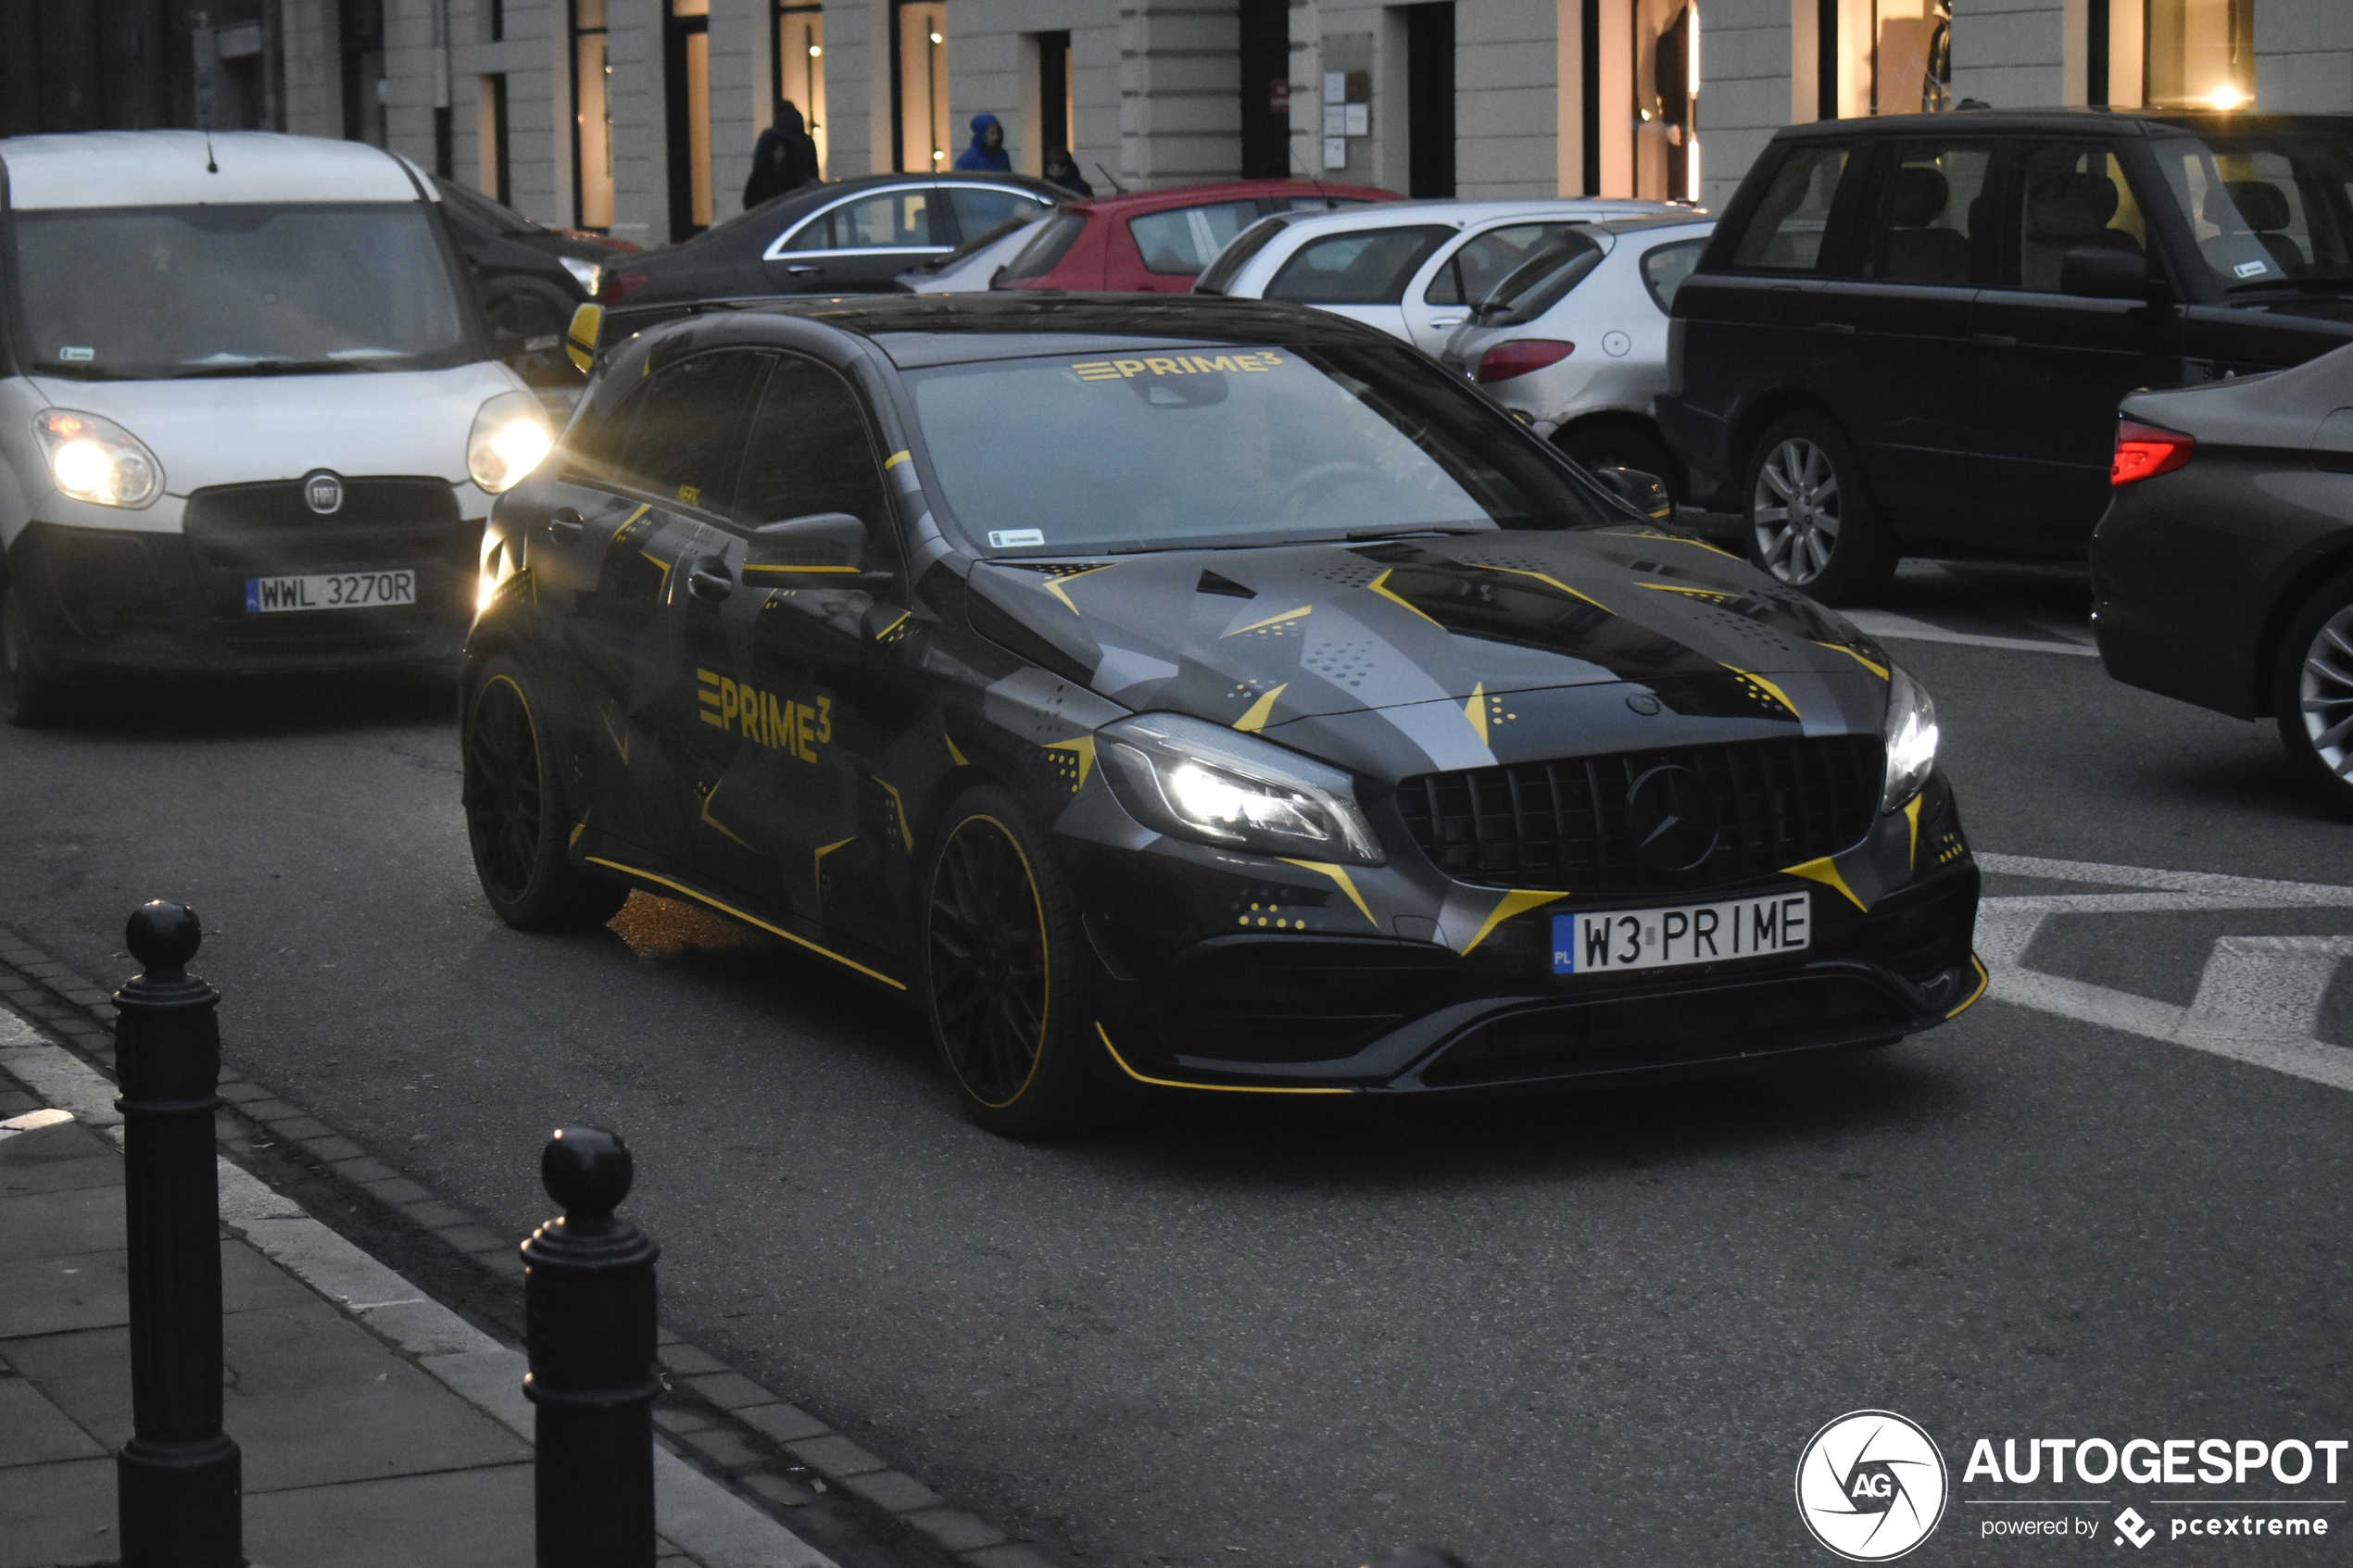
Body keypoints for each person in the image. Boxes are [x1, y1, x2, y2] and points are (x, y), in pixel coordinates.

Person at [744, 101, 822, 209]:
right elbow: (814, 172)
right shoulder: (808, 141)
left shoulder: (770, 137)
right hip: (802, 201)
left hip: (771, 204)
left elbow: (758, 171)